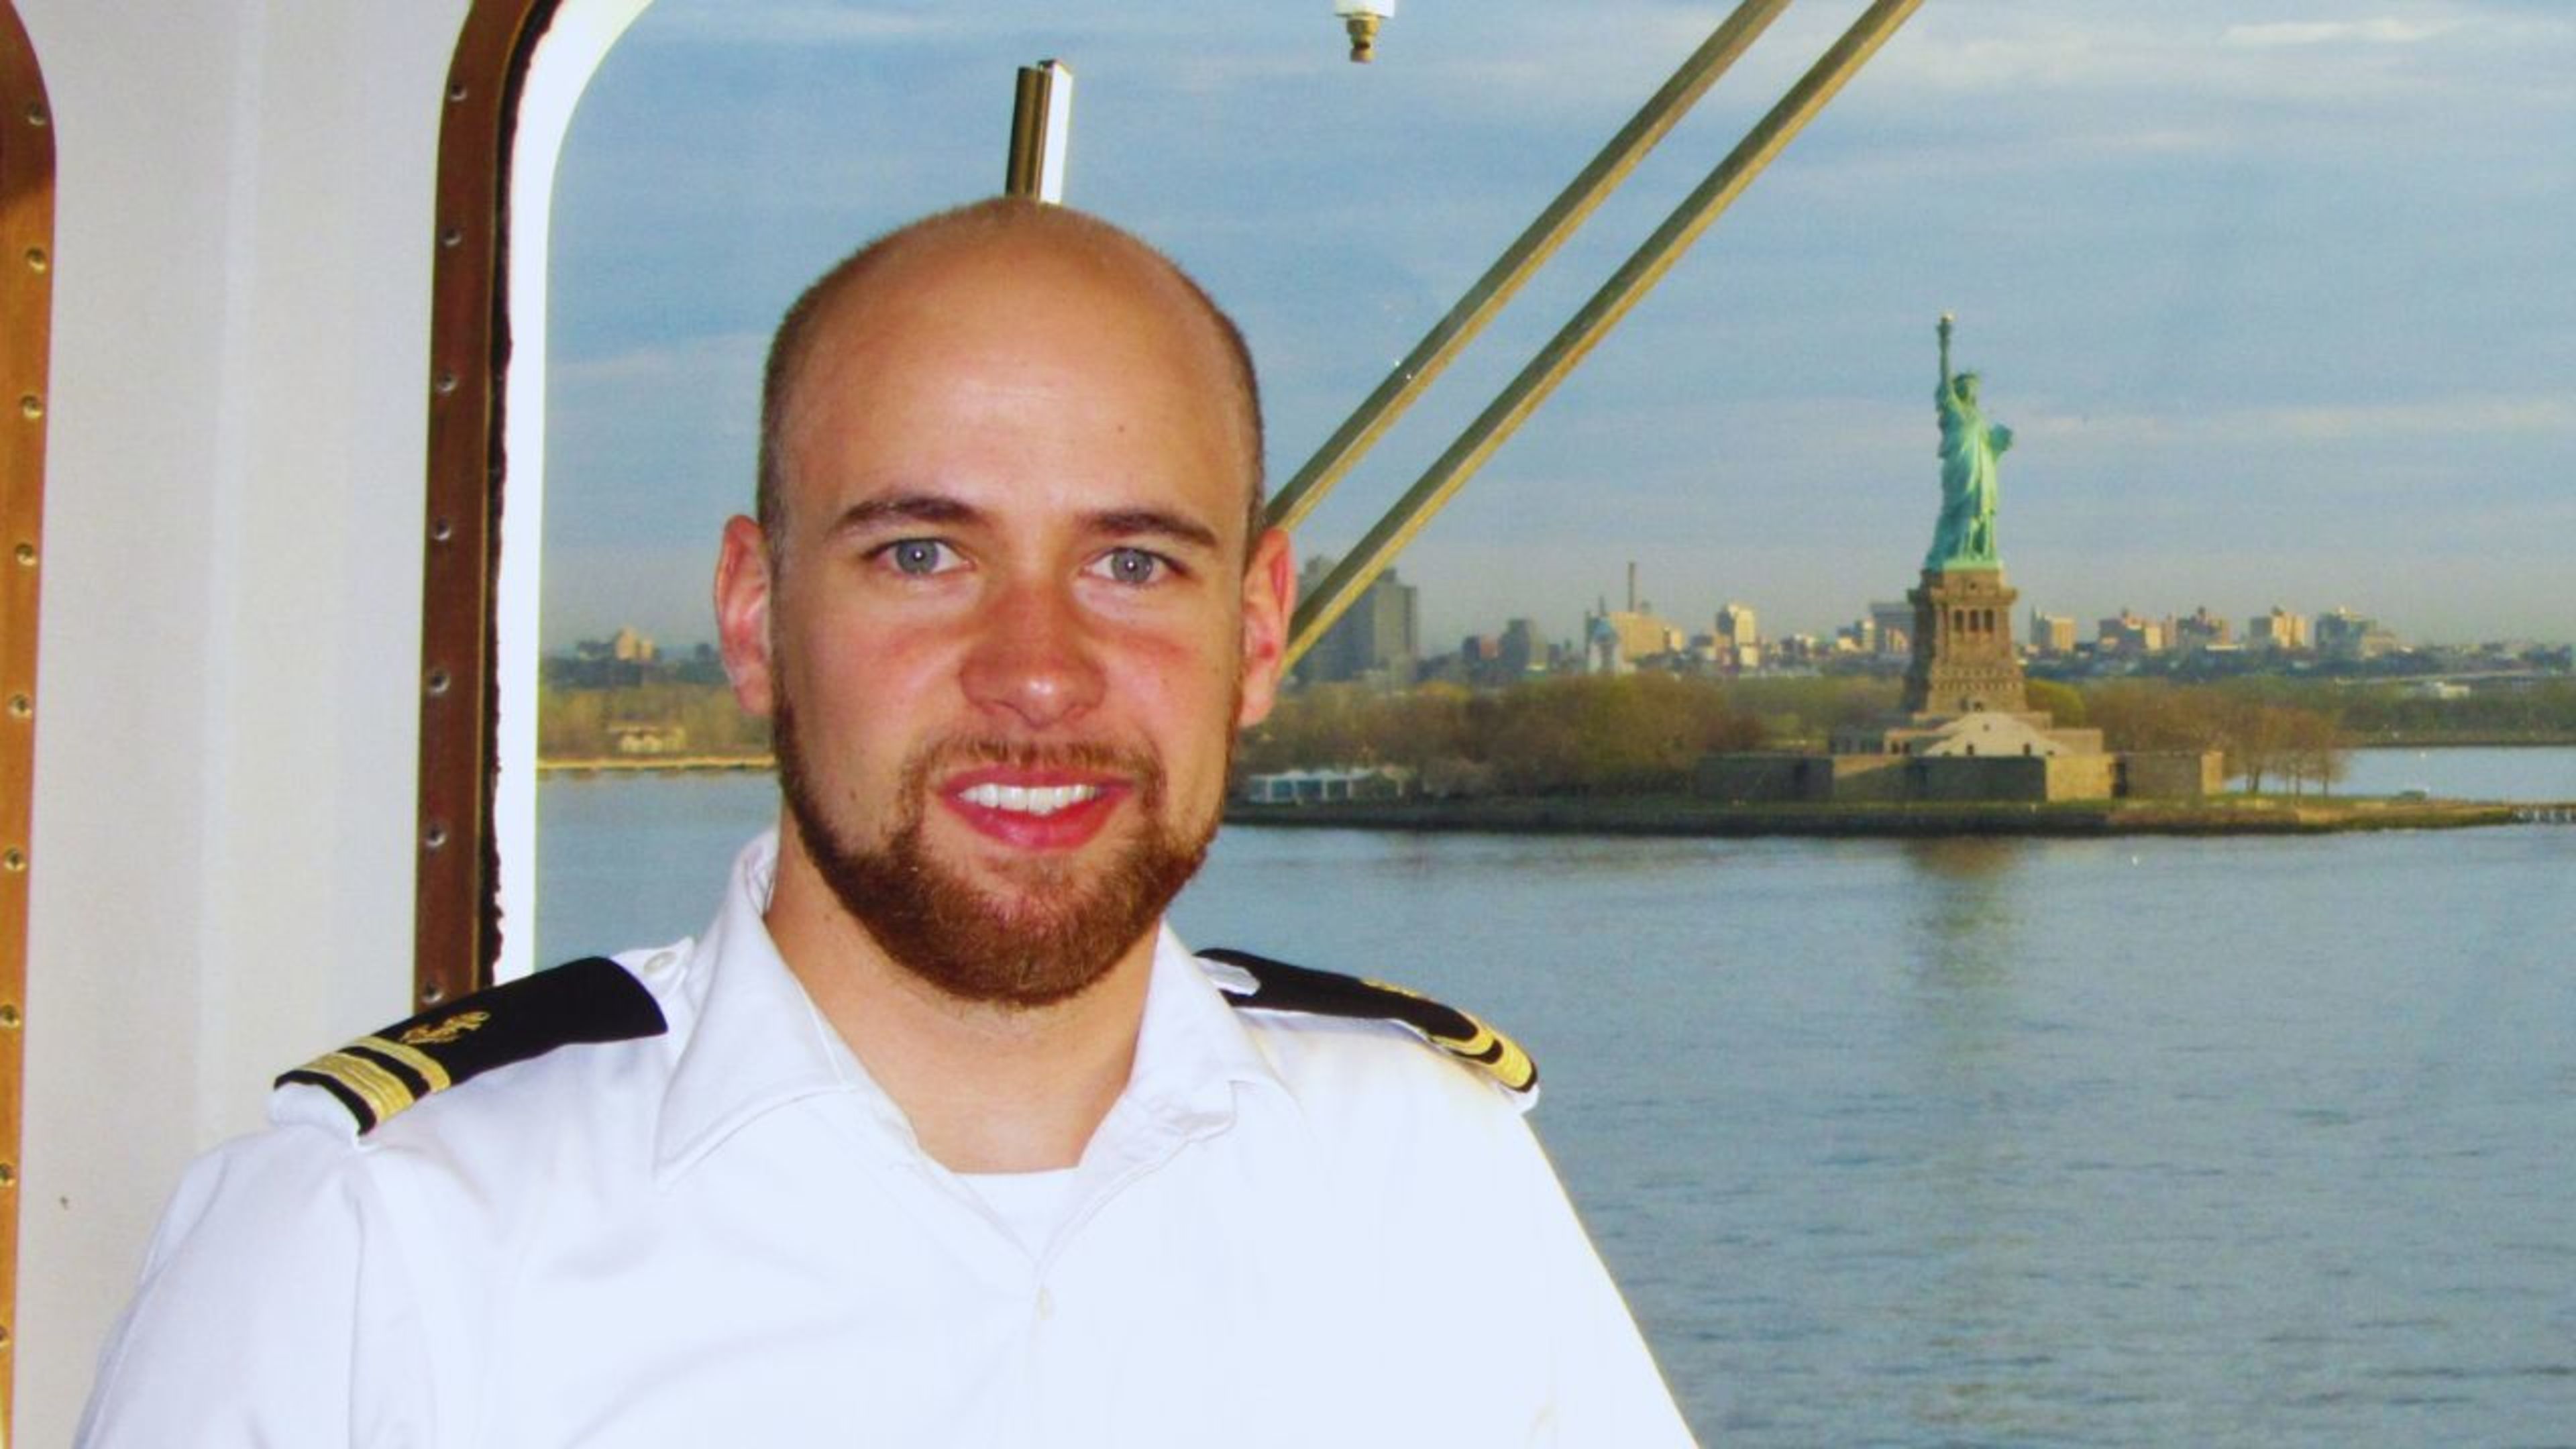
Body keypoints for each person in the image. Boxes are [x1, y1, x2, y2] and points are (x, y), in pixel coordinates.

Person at [77, 199, 1694, 1446]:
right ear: (753, 610)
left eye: (1132, 562)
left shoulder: (1432, 1182)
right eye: (923, 553)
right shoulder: (371, 1248)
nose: (1038, 672)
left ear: (1258, 631)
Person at [1927, 311, 2012, 571]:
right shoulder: (1952, 408)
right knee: (1959, 508)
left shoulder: (1978, 418)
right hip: (1961, 466)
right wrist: (1944, 343)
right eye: (1967, 385)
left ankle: (1977, 551)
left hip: (1982, 469)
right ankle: (1958, 552)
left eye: (1974, 386)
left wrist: (2002, 442)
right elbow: (1944, 377)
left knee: (1981, 509)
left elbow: (1990, 446)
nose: (1972, 390)